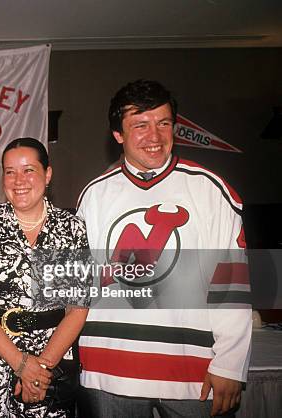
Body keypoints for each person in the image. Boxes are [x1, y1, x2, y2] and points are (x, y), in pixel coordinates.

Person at [76, 79, 251, 417]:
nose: (154, 136)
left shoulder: (210, 190)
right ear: (118, 135)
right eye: (140, 125)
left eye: (164, 123)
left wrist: (230, 362)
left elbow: (231, 280)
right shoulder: (94, 195)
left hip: (192, 370)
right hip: (108, 366)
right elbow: (82, 285)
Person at [0, 137, 91, 417]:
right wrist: (20, 364)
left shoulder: (70, 229)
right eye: (10, 171)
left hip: (51, 360)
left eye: (29, 170)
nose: (19, 180)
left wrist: (40, 369)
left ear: (48, 174)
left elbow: (77, 308)